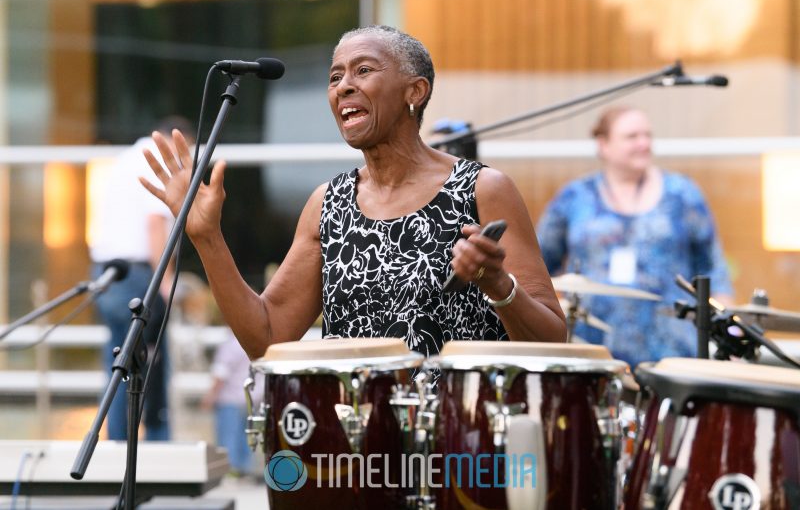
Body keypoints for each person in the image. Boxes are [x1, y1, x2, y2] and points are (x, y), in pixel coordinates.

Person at [139, 26, 566, 367]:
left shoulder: (481, 188)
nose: (343, 86)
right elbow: (266, 339)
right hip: (355, 454)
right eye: (335, 76)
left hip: (456, 451)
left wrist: (496, 283)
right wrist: (206, 237)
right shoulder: (328, 203)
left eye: (363, 70)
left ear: (413, 93)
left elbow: (551, 338)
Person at [536, 106, 733, 367]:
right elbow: (536, 267)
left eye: (648, 135)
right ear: (603, 145)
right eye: (632, 137)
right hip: (593, 355)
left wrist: (727, 331)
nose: (644, 144)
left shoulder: (683, 195)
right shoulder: (574, 197)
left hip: (673, 355)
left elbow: (714, 270)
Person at [90, 116, 195, 441]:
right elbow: (155, 226)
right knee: (146, 367)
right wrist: (166, 285)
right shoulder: (156, 160)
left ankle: (118, 445)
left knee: (119, 363)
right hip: (137, 275)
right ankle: (150, 445)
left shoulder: (121, 161)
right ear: (177, 140)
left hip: (107, 272)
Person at [201, 329, 261, 479]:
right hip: (251, 399)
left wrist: (210, 396)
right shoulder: (254, 344)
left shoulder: (229, 345)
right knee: (246, 436)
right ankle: (245, 470)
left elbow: (221, 373)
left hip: (230, 399)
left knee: (228, 437)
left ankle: (230, 471)